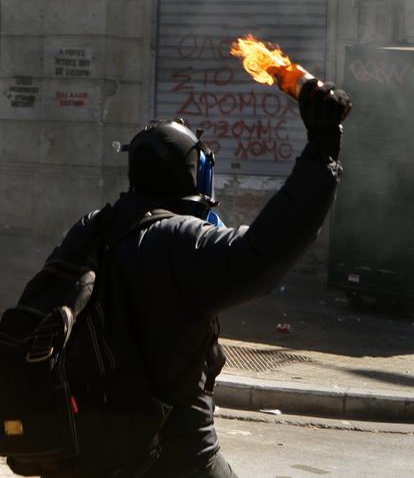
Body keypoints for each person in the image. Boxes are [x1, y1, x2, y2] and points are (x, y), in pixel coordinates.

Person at [40, 79, 351, 477]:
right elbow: (262, 253)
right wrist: (321, 152)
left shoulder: (90, 228)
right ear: (194, 175)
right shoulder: (179, 241)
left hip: (82, 448)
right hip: (168, 450)